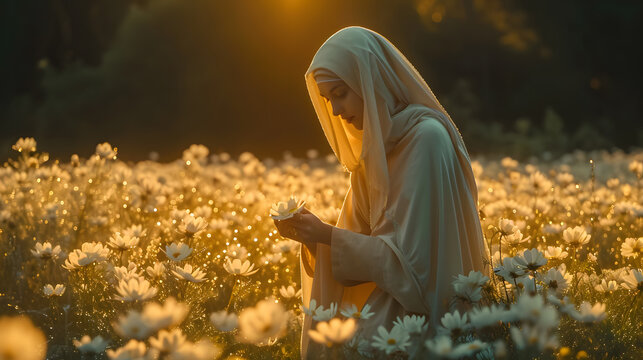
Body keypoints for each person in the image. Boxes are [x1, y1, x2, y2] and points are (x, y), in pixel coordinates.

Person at [273, 26, 488, 359]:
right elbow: (354, 238)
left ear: (370, 80)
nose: (334, 110)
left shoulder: (427, 139)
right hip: (392, 307)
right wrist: (312, 236)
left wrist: (328, 235)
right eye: (327, 99)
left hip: (430, 316)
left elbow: (419, 273)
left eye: (340, 93)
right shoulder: (374, 153)